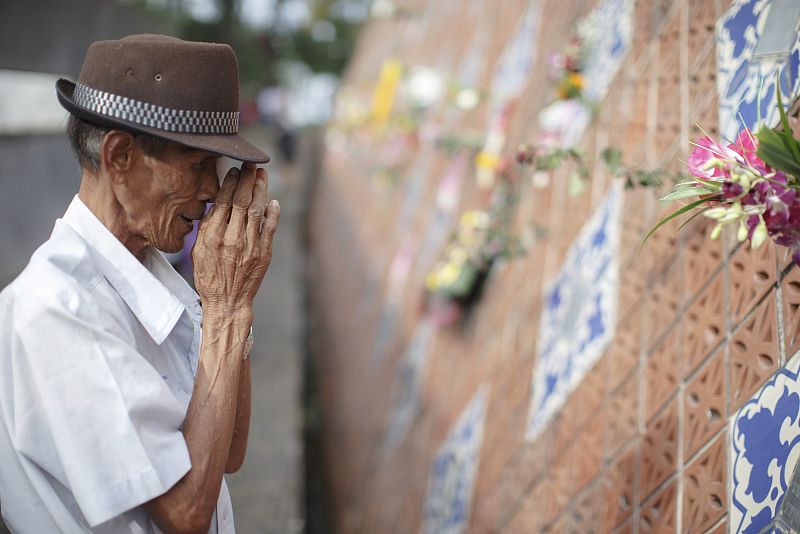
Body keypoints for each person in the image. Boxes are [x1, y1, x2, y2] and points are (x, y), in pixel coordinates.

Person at [0, 34, 280, 533]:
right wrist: (225, 310)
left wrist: (234, 309)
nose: (214, 190)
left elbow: (229, 452)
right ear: (120, 157)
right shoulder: (57, 308)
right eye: (197, 165)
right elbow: (186, 511)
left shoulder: (149, 275)